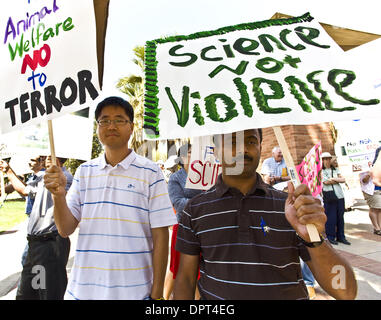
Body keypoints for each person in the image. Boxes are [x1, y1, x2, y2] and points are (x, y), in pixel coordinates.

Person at [173, 129, 357, 300]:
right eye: (233, 142)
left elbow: (345, 291)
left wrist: (315, 239)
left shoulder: (290, 207)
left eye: (251, 141)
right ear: (217, 150)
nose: (244, 149)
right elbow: (186, 280)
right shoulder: (195, 209)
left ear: (261, 147)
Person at [44, 96, 177, 300]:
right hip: (82, 292)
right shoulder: (84, 172)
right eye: (104, 120)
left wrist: (157, 293)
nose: (111, 125)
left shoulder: (150, 172)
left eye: (119, 120)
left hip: (134, 292)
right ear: (97, 128)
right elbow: (65, 229)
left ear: (131, 127)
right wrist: (58, 196)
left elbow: (161, 236)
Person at [1, 156, 73, 300]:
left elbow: (63, 196)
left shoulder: (65, 177)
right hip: (35, 245)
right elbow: (24, 190)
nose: (45, 159)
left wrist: (56, 181)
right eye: (44, 157)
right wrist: (8, 170)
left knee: (49, 293)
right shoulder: (43, 177)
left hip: (51, 244)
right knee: (28, 294)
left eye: (49, 156)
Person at [164, 143, 203, 300]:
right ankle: (164, 297)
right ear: (183, 157)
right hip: (183, 228)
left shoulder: (205, 175)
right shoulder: (176, 178)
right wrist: (202, 203)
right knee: (176, 268)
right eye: (190, 153)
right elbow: (178, 203)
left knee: (200, 269)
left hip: (202, 228)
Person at [0, 155, 46, 266]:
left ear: (42, 161)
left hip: (39, 223)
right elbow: (21, 188)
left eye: (32, 160)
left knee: (27, 259)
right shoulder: (34, 176)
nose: (29, 163)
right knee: (27, 259)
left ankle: (28, 282)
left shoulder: (43, 177)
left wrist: (8, 171)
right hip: (33, 219)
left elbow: (25, 190)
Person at [321, 152, 350, 245]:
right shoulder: (321, 171)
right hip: (329, 196)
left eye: (328, 158)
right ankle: (330, 236)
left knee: (340, 217)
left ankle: (341, 236)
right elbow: (325, 182)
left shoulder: (336, 169)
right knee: (330, 217)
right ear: (322, 160)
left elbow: (343, 179)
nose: (327, 161)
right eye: (325, 159)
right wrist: (336, 179)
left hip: (339, 196)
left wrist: (332, 179)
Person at [362, 146, 381, 235]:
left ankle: (379, 226)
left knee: (379, 209)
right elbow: (364, 181)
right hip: (371, 190)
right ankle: (376, 227)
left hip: (379, 188)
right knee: (374, 208)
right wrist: (370, 173)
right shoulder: (365, 165)